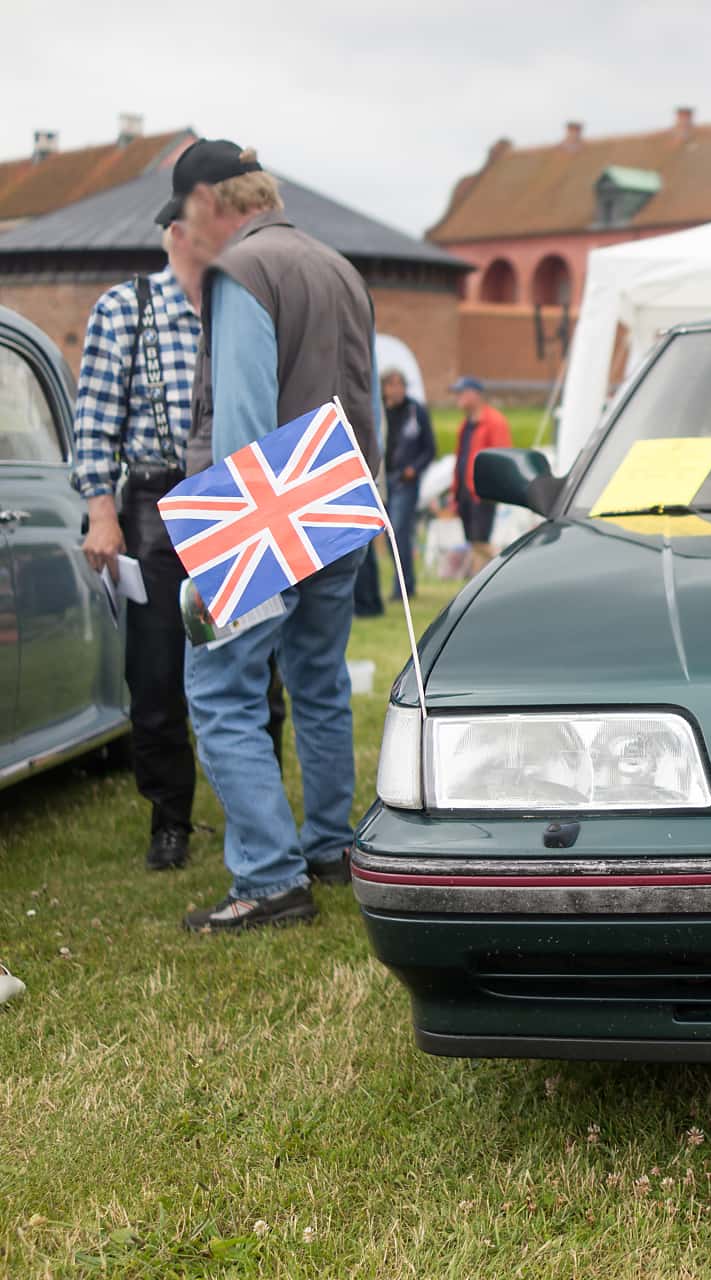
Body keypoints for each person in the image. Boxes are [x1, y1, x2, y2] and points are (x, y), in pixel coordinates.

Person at [166, 138, 382, 932]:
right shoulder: (340, 268)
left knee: (220, 693)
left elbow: (244, 421)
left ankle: (267, 877)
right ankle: (329, 845)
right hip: (339, 499)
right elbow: (369, 405)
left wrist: (229, 550)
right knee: (319, 682)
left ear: (216, 205)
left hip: (266, 508)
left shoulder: (242, 271)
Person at [70, 225, 203, 870]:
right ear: (178, 231)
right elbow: (93, 425)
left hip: (234, 497)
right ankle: (169, 818)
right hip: (153, 501)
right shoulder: (126, 307)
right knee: (156, 672)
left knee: (256, 671)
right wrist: (102, 513)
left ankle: (253, 813)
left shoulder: (243, 305)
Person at [381, 368, 436, 597]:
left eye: (400, 384)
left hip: (405, 482)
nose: (396, 389)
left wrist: (415, 469)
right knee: (388, 536)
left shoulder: (416, 412)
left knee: (400, 532)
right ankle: (405, 583)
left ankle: (403, 587)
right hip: (385, 482)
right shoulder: (381, 414)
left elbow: (430, 448)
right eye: (391, 385)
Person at [449, 376, 510, 573]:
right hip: (465, 491)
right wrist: (455, 491)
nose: (457, 398)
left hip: (482, 491)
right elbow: (460, 459)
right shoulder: (465, 425)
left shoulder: (493, 422)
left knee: (480, 541)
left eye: (461, 393)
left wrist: (493, 487)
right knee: (474, 542)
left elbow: (502, 455)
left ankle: (505, 564)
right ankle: (478, 580)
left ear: (474, 395)